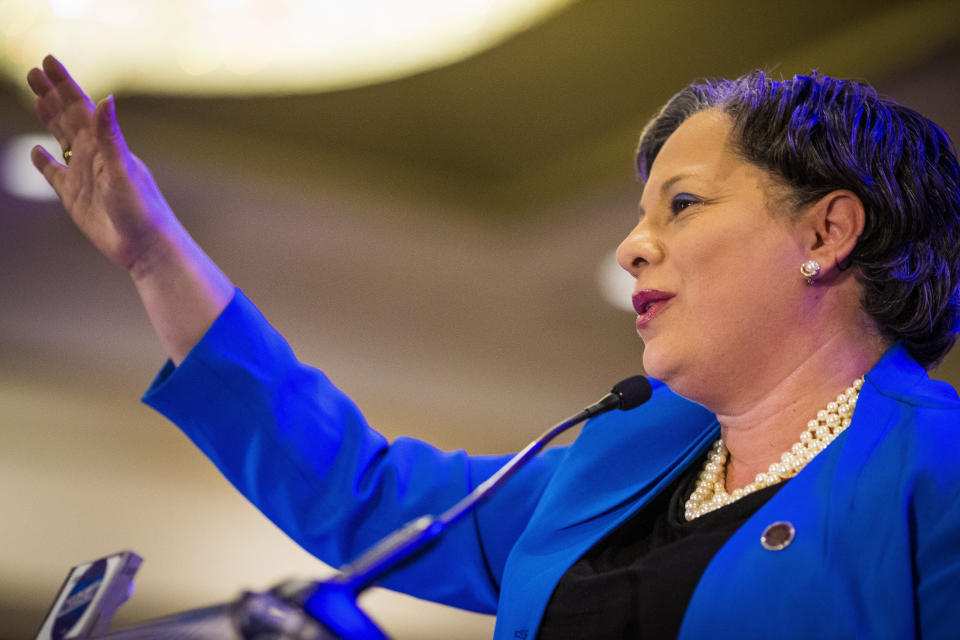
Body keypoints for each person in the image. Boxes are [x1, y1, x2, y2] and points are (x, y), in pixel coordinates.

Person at [26, 54, 960, 639]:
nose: (633, 245)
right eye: (641, 217)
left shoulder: (936, 472)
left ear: (826, 233)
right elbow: (365, 497)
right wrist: (155, 258)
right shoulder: (620, 463)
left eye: (683, 204)